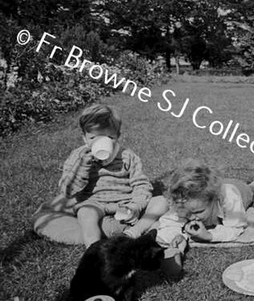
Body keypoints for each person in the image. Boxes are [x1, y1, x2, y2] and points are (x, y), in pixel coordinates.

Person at [33, 104, 165, 247]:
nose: (101, 143)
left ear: (118, 136)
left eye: (109, 137)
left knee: (162, 201)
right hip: (94, 203)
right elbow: (68, 190)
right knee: (86, 214)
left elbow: (141, 185)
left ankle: (134, 232)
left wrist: (135, 206)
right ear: (84, 138)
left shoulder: (128, 156)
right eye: (93, 138)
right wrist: (82, 165)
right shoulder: (78, 156)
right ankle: (93, 249)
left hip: (125, 203)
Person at [154, 159, 254, 276]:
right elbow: (168, 222)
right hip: (214, 185)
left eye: (199, 212)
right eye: (187, 213)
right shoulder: (184, 200)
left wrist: (209, 236)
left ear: (214, 200)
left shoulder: (229, 197)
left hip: (239, 189)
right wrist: (177, 235)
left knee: (253, 189)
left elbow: (235, 227)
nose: (191, 217)